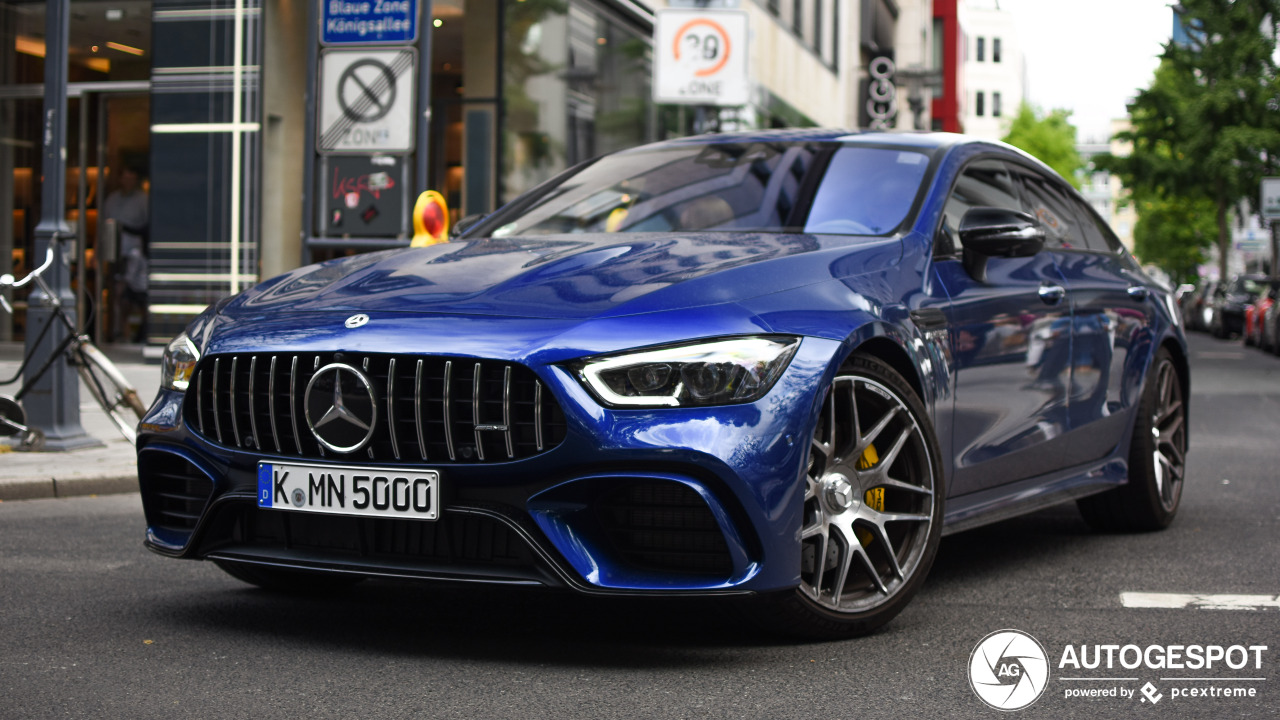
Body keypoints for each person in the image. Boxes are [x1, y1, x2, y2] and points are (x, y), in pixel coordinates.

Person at [102, 165, 149, 343]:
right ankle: (118, 331)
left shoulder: (142, 200)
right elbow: (104, 227)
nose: (128, 181)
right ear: (121, 179)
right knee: (117, 295)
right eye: (125, 177)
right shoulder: (113, 199)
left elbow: (147, 227)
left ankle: (139, 332)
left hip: (136, 255)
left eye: (131, 177)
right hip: (114, 253)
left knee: (136, 295)